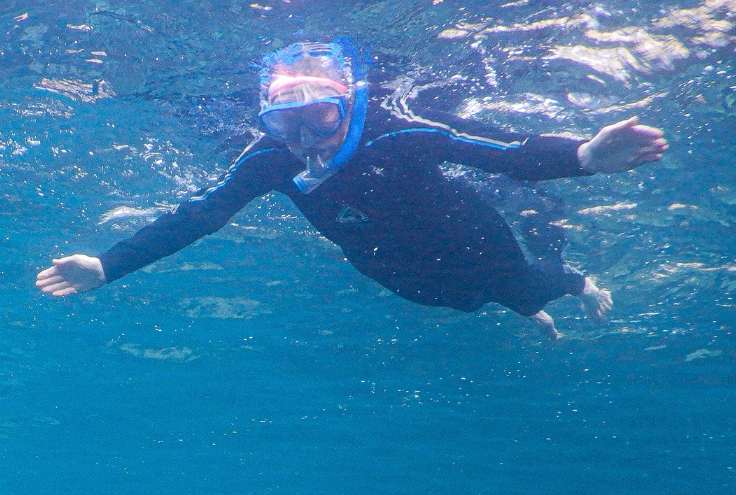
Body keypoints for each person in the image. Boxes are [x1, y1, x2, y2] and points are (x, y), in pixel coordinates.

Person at [36, 40, 668, 339]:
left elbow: (506, 155)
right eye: (285, 120)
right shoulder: (269, 160)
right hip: (383, 260)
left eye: (321, 117)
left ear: (350, 106)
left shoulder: (398, 132)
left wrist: (584, 156)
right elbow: (198, 217)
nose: (305, 136)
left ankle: (576, 283)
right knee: (457, 305)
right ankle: (522, 305)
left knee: (520, 286)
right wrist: (108, 264)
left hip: (464, 231)